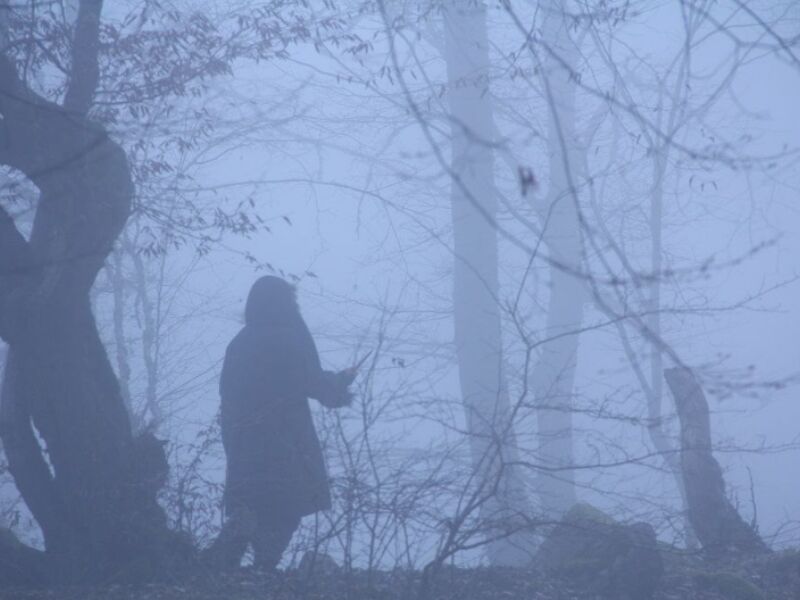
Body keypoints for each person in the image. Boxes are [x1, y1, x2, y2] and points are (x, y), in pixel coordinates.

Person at [213, 276, 355, 570]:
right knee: (283, 511)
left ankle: (222, 570)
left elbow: (227, 397)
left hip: (245, 447)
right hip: (285, 446)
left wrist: (233, 444)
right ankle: (258, 570)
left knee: (249, 511)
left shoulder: (239, 343)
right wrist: (340, 384)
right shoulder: (288, 338)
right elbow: (312, 382)